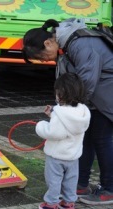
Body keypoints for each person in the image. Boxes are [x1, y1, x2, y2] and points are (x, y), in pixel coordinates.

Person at [23, 18, 113, 205]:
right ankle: (80, 184)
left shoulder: (81, 44)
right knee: (86, 139)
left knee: (103, 142)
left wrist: (65, 110)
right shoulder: (70, 43)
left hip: (106, 97)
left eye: (42, 56)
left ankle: (109, 189)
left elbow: (86, 81)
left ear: (48, 42)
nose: (44, 60)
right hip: (96, 98)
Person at [35, 72, 90, 209]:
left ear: (61, 94)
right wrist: (53, 115)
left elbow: (54, 133)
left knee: (54, 181)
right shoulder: (83, 111)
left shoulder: (60, 112)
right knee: (71, 180)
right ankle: (69, 202)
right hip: (73, 156)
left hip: (56, 156)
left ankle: (51, 203)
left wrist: (40, 125)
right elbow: (68, 123)